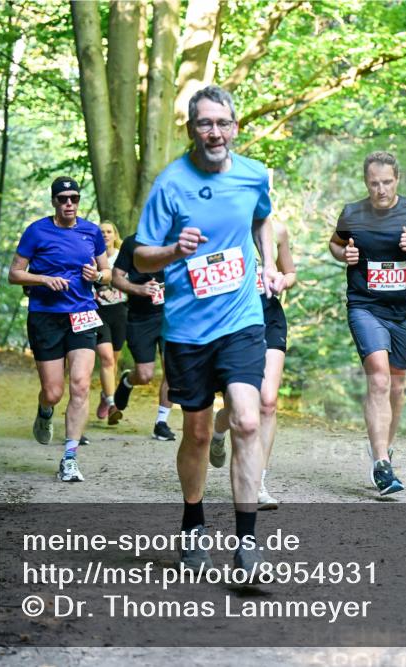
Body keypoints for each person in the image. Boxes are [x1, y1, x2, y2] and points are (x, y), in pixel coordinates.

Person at [134, 85, 284, 571]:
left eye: (222, 122)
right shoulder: (170, 184)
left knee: (246, 418)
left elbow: (263, 219)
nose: (214, 132)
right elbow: (140, 255)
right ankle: (193, 523)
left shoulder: (253, 175)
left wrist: (264, 263)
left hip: (241, 318)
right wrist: (174, 251)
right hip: (186, 329)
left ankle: (247, 544)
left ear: (235, 127)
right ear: (191, 130)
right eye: (205, 123)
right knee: (197, 432)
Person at [328, 151, 406, 495]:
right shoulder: (353, 213)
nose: (380, 189)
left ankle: (383, 448)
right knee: (379, 379)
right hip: (365, 306)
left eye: (386, 182)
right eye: (373, 183)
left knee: (397, 387)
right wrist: (345, 255)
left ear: (397, 179)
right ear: (365, 183)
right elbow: (335, 245)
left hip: (403, 313)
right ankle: (382, 465)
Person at [8, 177, 111, 483]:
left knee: (80, 384)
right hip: (46, 316)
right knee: (53, 392)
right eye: (63, 198)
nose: (69, 204)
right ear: (54, 201)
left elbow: (107, 274)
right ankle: (44, 409)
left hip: (82, 315)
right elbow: (15, 274)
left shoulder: (91, 231)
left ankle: (69, 457)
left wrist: (98, 274)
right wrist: (42, 279)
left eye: (74, 198)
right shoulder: (36, 231)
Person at [211, 213, 296, 510]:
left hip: (270, 315)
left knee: (268, 401)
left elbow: (291, 272)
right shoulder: (224, 226)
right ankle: (218, 429)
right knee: (238, 406)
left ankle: (258, 481)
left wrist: (284, 281)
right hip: (233, 319)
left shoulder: (280, 229)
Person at [111, 232, 176, 440]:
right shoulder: (132, 242)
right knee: (145, 375)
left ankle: (161, 422)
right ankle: (129, 380)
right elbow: (116, 278)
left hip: (172, 316)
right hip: (141, 317)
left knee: (172, 371)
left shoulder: (177, 239)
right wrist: (138, 289)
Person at [92, 221, 126, 424]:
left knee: (112, 361)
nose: (105, 235)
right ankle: (113, 403)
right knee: (105, 358)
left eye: (108, 231)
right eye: (101, 232)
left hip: (120, 311)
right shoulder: (92, 255)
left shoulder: (123, 256)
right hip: (98, 312)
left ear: (115, 234)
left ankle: (106, 396)